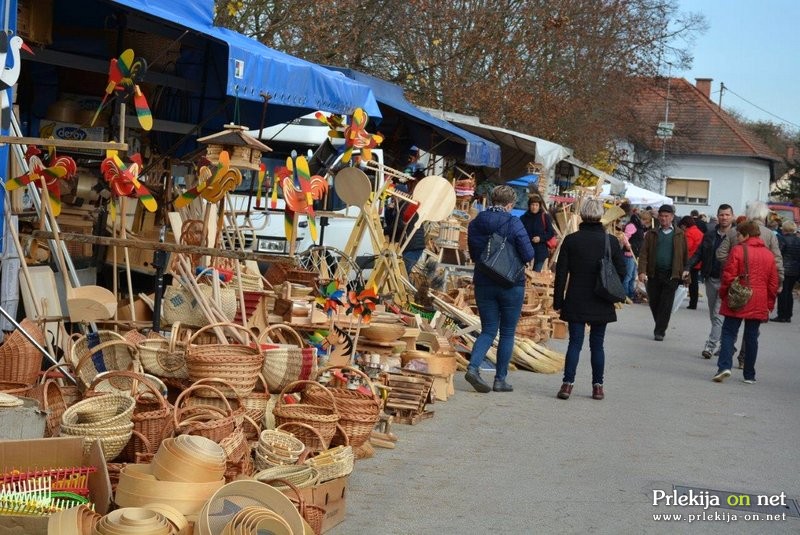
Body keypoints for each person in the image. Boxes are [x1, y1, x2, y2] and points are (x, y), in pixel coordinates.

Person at [553, 198, 626, 400]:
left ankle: (567, 385)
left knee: (574, 343)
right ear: (600, 215)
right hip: (601, 298)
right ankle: (598, 387)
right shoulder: (610, 241)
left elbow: (561, 274)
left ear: (582, 215)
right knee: (598, 344)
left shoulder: (571, 240)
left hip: (576, 297)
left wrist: (558, 302)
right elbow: (622, 269)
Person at [465, 185, 535, 393]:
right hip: (511, 284)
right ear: (510, 204)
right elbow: (528, 254)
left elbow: (474, 253)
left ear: (491, 200)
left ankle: (473, 367)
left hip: (484, 281)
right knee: (506, 332)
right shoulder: (514, 223)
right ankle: (500, 379)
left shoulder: (476, 222)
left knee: (487, 329)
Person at [717, 201, 784, 368]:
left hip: (737, 286)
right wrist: (778, 282)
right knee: (752, 332)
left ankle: (725, 363)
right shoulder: (770, 234)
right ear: (763, 215)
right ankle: (744, 362)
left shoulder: (735, 231)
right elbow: (776, 261)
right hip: (760, 289)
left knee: (730, 328)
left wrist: (734, 270)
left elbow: (720, 253)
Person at [685, 204, 736, 359]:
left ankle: (710, 345)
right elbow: (699, 253)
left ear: (732, 216)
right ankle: (728, 344)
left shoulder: (737, 236)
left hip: (728, 280)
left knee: (718, 313)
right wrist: (688, 267)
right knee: (714, 314)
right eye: (721, 215)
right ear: (717, 216)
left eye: (727, 215)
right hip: (710, 278)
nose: (724, 217)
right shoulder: (710, 234)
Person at [637, 204, 688, 341]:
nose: (664, 218)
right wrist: (641, 271)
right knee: (654, 302)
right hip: (654, 273)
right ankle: (660, 324)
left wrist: (685, 272)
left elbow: (684, 255)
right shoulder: (652, 233)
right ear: (658, 217)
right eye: (661, 216)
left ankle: (660, 331)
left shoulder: (679, 234)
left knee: (666, 303)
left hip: (672, 274)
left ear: (672, 217)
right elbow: (643, 254)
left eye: (667, 216)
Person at [383, 180, 425, 274]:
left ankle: (408, 289)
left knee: (402, 274)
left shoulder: (406, 207)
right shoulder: (400, 207)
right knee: (402, 274)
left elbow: (398, 226)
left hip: (412, 247)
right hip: (410, 247)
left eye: (394, 195)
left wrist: (383, 231)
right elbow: (391, 224)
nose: (393, 198)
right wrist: (389, 211)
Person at [772, 220, 800, 322]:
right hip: (795, 271)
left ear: (785, 229)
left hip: (784, 269)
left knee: (782, 293)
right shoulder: (798, 240)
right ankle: (788, 315)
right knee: (789, 293)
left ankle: (781, 315)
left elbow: (778, 254)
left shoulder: (782, 239)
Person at [519, 195, 555, 272]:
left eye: (536, 205)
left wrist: (540, 238)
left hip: (540, 252)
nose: (534, 207)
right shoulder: (523, 218)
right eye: (532, 204)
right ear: (529, 205)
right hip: (525, 250)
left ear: (539, 206)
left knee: (535, 275)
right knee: (523, 274)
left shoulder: (544, 217)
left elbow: (551, 233)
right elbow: (518, 232)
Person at [679, 215, 704, 309]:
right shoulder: (699, 232)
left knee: (689, 282)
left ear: (685, 225)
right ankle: (694, 302)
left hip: (690, 261)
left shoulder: (689, 233)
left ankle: (692, 303)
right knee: (694, 283)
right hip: (698, 261)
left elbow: (686, 248)